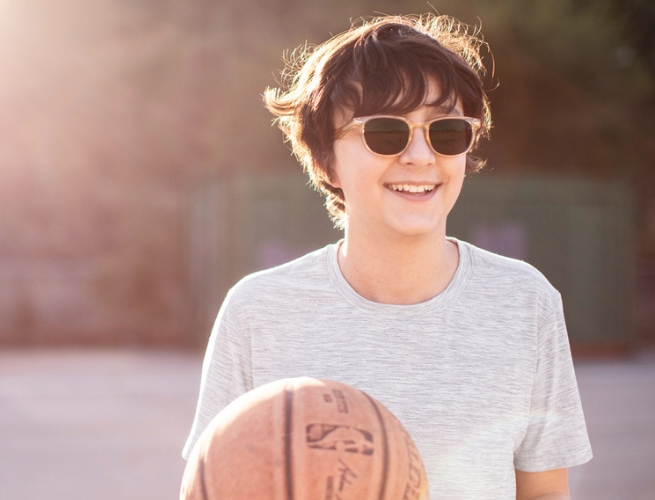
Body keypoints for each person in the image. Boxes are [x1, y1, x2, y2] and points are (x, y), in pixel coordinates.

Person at [182, 14, 592, 500]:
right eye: (384, 132)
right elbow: (216, 482)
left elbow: (545, 492)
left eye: (446, 132)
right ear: (325, 159)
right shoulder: (258, 311)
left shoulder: (525, 303)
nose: (421, 156)